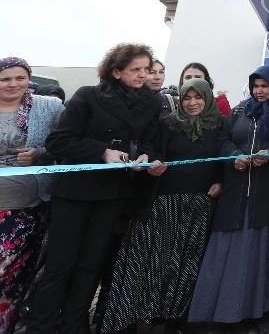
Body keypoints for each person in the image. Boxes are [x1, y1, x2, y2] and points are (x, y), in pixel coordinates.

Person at [28, 43, 161, 334]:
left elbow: (149, 141)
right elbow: (58, 141)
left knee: (90, 264)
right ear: (116, 71)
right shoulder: (88, 96)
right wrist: (101, 152)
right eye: (135, 70)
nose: (143, 75)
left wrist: (143, 158)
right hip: (76, 191)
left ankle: (75, 325)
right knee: (60, 264)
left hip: (114, 193)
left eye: (146, 69)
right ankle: (41, 325)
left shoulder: (151, 103)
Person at [101, 78, 225, 333]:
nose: (192, 103)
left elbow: (224, 160)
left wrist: (220, 181)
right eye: (187, 98)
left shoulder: (221, 126)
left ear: (208, 98)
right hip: (163, 206)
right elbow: (152, 151)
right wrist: (153, 165)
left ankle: (174, 318)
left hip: (200, 208)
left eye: (198, 97)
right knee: (154, 263)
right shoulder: (168, 125)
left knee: (186, 265)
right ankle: (143, 317)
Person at [188, 65, 269, 329]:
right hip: (236, 196)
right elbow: (223, 139)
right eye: (256, 85)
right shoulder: (240, 110)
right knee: (227, 253)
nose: (259, 91)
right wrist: (234, 155)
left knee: (265, 256)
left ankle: (262, 313)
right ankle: (222, 314)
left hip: (268, 196)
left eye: (265, 85)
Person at [0, 57, 62, 334]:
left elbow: (66, 143)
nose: (13, 84)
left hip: (25, 207)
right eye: (5, 79)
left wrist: (41, 154)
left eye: (20, 78)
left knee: (12, 277)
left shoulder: (49, 107)